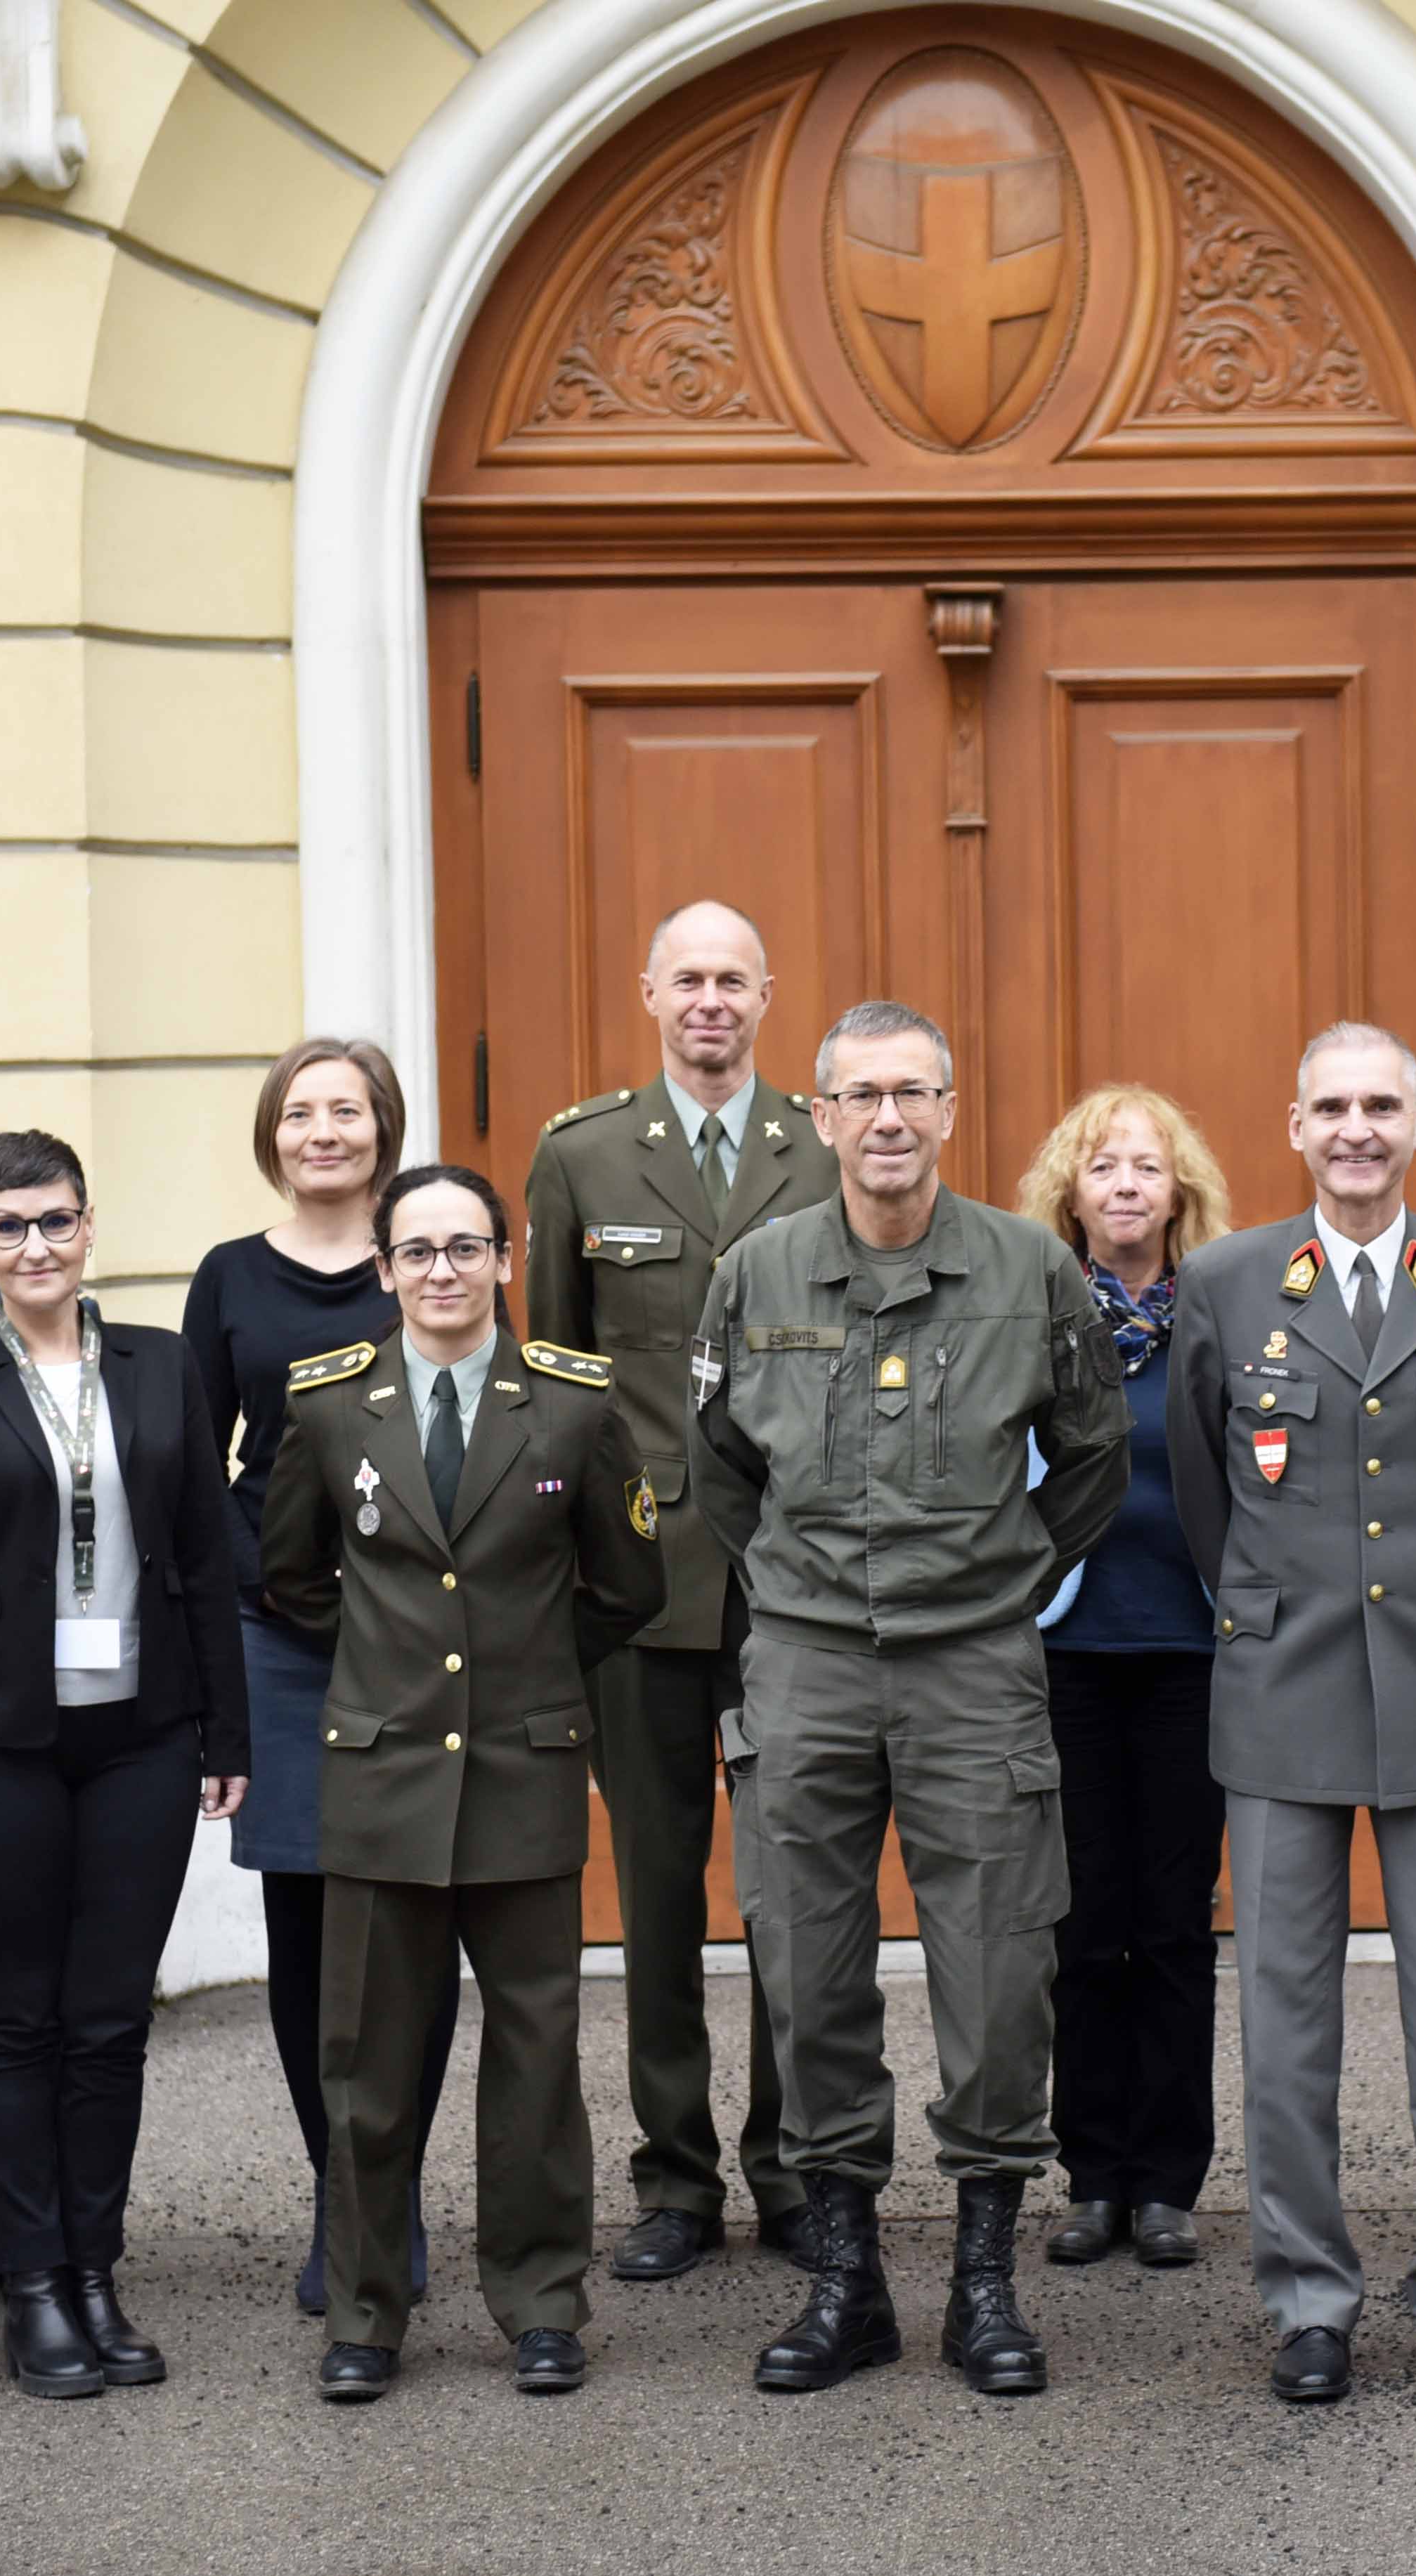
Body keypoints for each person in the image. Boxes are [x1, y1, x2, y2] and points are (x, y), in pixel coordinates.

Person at [694, 998, 1129, 2398]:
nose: (888, 1119)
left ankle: (984, 2284)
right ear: (820, 1116)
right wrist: (795, 1586)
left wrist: (1003, 1576)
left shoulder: (1027, 1268)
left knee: (999, 1972)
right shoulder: (756, 1272)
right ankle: (846, 2283)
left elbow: (1093, 1455)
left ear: (949, 1110)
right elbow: (715, 1466)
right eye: (862, 1095)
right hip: (806, 1666)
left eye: (913, 1093)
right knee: (806, 1968)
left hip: (973, 1667)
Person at [1167, 1022, 1416, 2407]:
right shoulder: (1227, 1281)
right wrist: (1275, 1600)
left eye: (1382, 1105)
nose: (1356, 1130)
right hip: (1283, 1684)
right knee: (1284, 2017)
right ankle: (1307, 2297)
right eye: (1331, 1107)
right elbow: (1204, 1490)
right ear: (1295, 1127)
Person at [261, 1166, 666, 2402]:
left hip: (522, 1772)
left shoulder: (574, 1406)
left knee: (537, 2063)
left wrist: (527, 1672)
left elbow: (627, 1585)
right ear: (383, 1270)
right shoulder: (331, 1405)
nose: (442, 1271)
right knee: (367, 2070)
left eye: (466, 1248)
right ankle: (365, 2313)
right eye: (418, 1251)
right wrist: (386, 1673)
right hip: (383, 1777)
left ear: (504, 1259)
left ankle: (543, 2304)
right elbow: (291, 1575)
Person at [0, 1131, 249, 2400]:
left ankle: (96, 2272)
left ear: (90, 1229)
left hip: (143, 1735)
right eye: (10, 1225)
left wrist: (228, 1732)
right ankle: (31, 2285)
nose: (36, 1246)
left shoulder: (159, 1365)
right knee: (19, 2021)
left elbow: (203, 1552)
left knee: (109, 2023)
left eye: (57, 1221)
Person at [525, 900, 840, 2283]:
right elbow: (551, 1375)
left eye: (733, 980)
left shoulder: (822, 1145)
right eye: (688, 979)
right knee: (657, 1895)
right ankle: (674, 2179)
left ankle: (794, 2167)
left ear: (766, 996)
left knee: (793, 1890)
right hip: (639, 1579)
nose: (710, 1000)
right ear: (648, 992)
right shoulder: (581, 1154)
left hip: (792, 1573)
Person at [184, 1037, 448, 2320]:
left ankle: (396, 2193)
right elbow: (195, 1468)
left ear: (383, 1126)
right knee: (304, 1923)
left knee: (412, 1915)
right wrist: (274, 1587)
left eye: (347, 1110)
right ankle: (341, 2194)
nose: (324, 1131)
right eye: (301, 1113)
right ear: (273, 1135)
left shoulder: (430, 1256)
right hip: (279, 1636)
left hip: (419, 1633)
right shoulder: (231, 1277)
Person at [1011, 1084, 1234, 2272]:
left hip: (1195, 1650)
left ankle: (1168, 2185)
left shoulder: (1223, 1315)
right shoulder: (1036, 1316)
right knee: (1085, 1923)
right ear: (1072, 1193)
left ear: (1178, 1188)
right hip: (1068, 1652)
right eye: (1104, 1168)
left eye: (1147, 1166)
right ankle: (1094, 2176)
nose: (1128, 1185)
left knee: (1175, 1924)